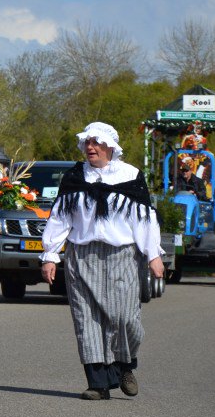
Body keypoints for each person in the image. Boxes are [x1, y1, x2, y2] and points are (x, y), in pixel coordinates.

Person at [40, 122, 163, 400]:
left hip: (122, 255)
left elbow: (144, 220)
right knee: (87, 319)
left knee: (125, 317)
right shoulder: (74, 176)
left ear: (110, 146)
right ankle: (97, 384)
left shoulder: (130, 176)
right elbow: (60, 218)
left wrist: (153, 255)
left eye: (96, 143)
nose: (90, 148)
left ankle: (124, 366)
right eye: (87, 143)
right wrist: (50, 255)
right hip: (81, 255)